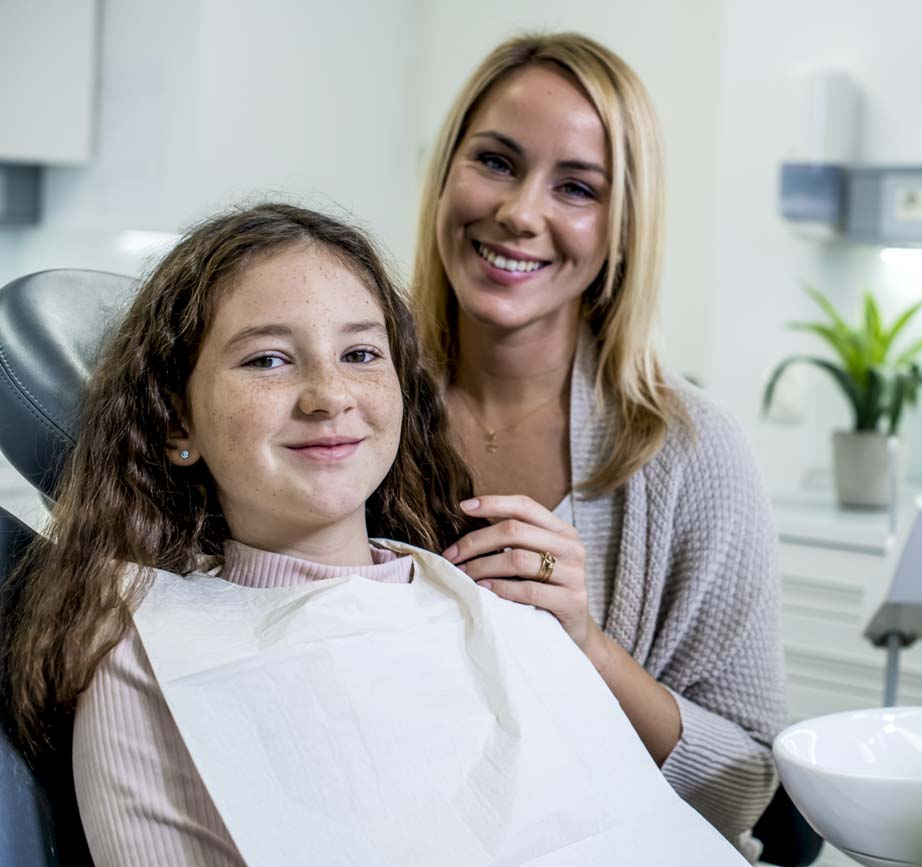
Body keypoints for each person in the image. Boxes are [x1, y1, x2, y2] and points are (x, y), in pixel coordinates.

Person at [1, 203, 746, 866]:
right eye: (267, 359)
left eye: (360, 354)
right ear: (176, 422)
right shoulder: (147, 644)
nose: (330, 396)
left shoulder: (494, 601)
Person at [412, 32, 785, 847]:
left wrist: (585, 643)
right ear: (445, 175)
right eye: (497, 163)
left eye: (576, 188)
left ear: (621, 229)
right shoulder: (354, 405)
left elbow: (745, 787)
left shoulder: (693, 454)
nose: (519, 212)